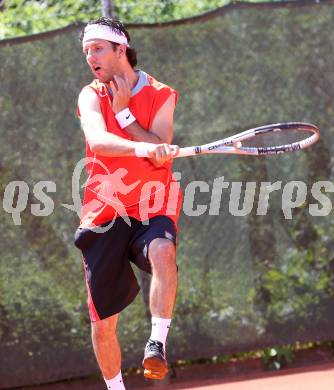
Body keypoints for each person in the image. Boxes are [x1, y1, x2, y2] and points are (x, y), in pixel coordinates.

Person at [74, 17, 182, 390]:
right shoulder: (90, 94)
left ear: (122, 49)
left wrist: (125, 115)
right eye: (87, 51)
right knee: (103, 326)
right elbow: (99, 140)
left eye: (98, 48)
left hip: (153, 204)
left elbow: (160, 152)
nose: (91, 57)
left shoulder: (162, 93)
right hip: (104, 214)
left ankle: (157, 342)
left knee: (164, 250)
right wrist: (141, 144)